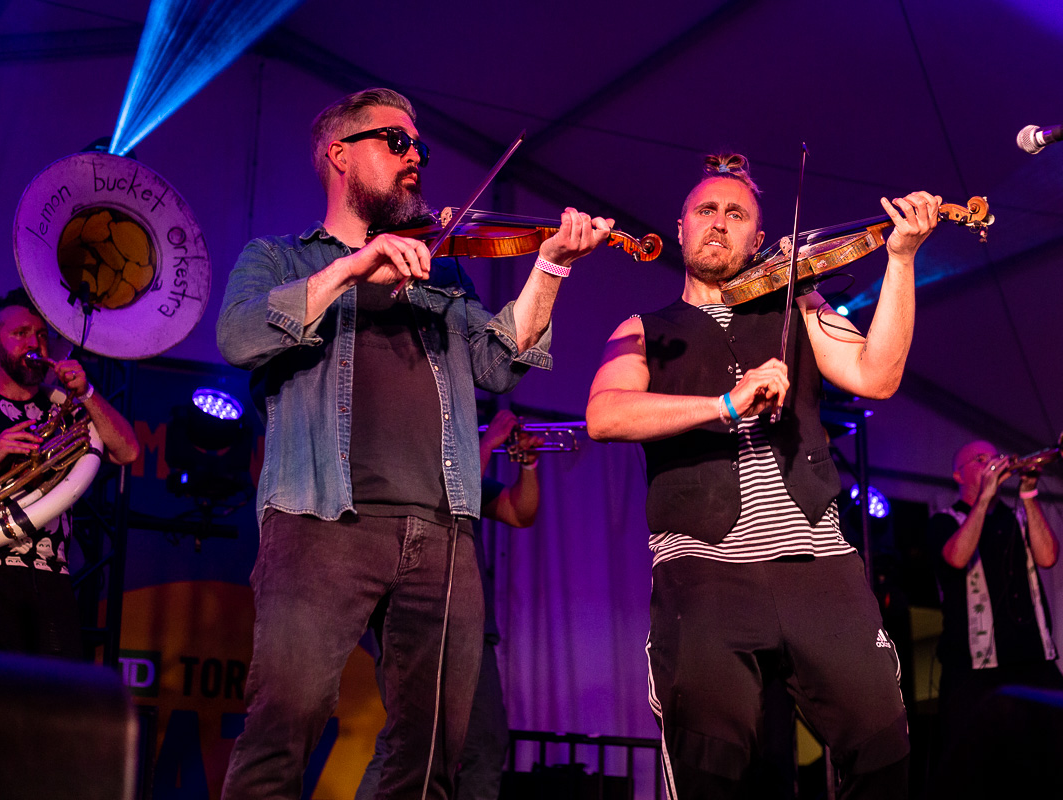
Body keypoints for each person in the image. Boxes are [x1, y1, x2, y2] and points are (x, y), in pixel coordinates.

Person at [215, 87, 610, 800]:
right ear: (340, 154)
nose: (416, 157)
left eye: (419, 146)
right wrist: (351, 268)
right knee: (284, 728)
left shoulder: (442, 270)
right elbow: (240, 336)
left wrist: (550, 267)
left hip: (441, 530)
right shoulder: (279, 257)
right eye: (396, 142)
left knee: (431, 753)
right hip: (320, 522)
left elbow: (498, 363)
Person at [585, 152, 942, 798]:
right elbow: (605, 415)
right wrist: (723, 405)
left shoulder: (799, 306)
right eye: (706, 210)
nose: (719, 223)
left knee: (884, 745)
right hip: (705, 571)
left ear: (759, 238)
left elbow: (877, 375)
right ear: (681, 226)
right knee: (708, 765)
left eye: (736, 214)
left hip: (819, 566)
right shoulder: (644, 329)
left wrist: (901, 258)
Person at [0, 288, 139, 657]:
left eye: (40, 334)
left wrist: (87, 392)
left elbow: (127, 451)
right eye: (20, 334)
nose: (35, 343)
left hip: (51, 576)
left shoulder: (66, 411)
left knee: (53, 691)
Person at [357, 408, 541, 800]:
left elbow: (520, 512)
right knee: (405, 744)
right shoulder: (401, 467)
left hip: (467, 625)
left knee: (485, 745)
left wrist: (527, 464)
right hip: (412, 621)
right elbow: (447, 503)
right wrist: (488, 442)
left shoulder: (464, 474)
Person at [928, 440, 1063, 762]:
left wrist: (1028, 494)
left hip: (1034, 660)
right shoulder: (945, 521)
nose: (992, 463)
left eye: (994, 457)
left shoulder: (1017, 516)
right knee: (978, 765)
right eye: (980, 460)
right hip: (975, 670)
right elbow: (957, 557)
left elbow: (1048, 557)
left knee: (1057, 755)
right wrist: (983, 499)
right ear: (958, 475)